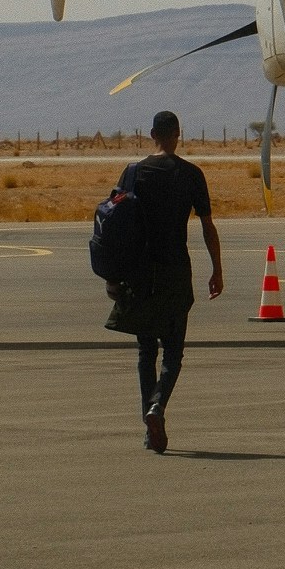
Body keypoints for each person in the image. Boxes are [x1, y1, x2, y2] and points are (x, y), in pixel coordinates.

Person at [117, 110, 223, 453]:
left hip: (141, 273)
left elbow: (117, 220)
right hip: (176, 270)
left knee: (146, 350)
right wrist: (216, 268)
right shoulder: (192, 174)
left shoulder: (134, 172)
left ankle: (149, 429)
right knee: (173, 353)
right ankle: (158, 406)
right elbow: (207, 225)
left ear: (152, 134)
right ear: (178, 134)